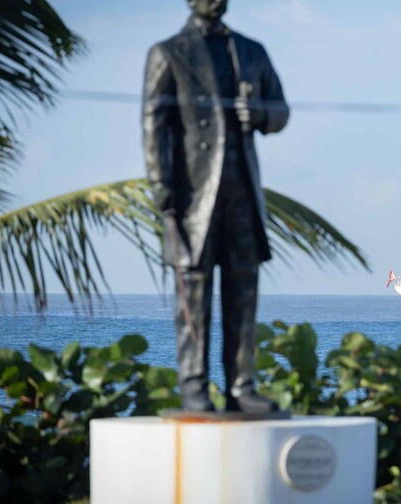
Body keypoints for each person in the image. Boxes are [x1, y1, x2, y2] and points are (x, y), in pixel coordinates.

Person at [142, 0, 289, 413]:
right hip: (192, 194)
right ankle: (193, 385)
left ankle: (242, 386)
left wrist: (258, 112)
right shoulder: (168, 52)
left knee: (243, 288)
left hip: (242, 188)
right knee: (194, 288)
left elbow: (281, 110)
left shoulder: (251, 50)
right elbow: (153, 124)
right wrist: (161, 185)